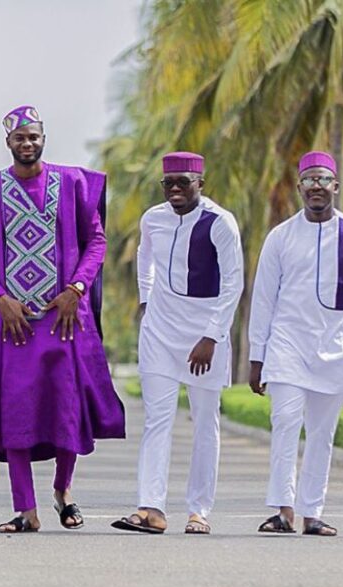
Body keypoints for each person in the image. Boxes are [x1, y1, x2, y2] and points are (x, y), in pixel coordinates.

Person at [0, 105, 125, 533]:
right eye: (19, 138)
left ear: (43, 138)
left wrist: (76, 289)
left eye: (34, 137)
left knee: (67, 408)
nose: (27, 144)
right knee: (17, 412)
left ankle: (64, 491)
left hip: (64, 318)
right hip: (13, 323)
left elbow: (96, 241)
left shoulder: (74, 185)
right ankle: (25, 508)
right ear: (7, 143)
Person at [248, 151, 343, 536]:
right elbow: (264, 299)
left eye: (324, 180)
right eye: (309, 180)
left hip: (337, 351)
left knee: (322, 434)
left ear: (335, 186)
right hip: (287, 346)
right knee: (286, 422)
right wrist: (257, 356)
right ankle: (283, 510)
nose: (316, 187)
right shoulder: (281, 236)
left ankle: (313, 513)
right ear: (299, 188)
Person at [111, 151, 242, 536]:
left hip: (205, 338)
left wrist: (212, 336)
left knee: (205, 422)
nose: (175, 191)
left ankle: (199, 510)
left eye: (183, 183)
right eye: (168, 183)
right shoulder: (153, 218)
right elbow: (144, 257)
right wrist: (146, 301)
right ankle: (150, 508)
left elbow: (233, 282)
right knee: (157, 420)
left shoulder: (220, 222)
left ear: (201, 182)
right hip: (159, 333)